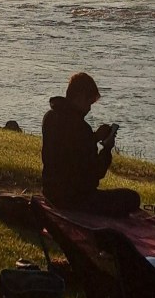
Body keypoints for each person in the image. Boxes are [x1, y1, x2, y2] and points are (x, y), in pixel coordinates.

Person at [41, 72, 140, 216]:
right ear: (80, 97)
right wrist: (106, 148)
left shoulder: (50, 117)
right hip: (75, 199)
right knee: (132, 198)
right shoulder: (81, 128)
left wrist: (93, 138)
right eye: (89, 102)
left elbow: (67, 147)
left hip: (51, 192)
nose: (89, 108)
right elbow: (96, 173)